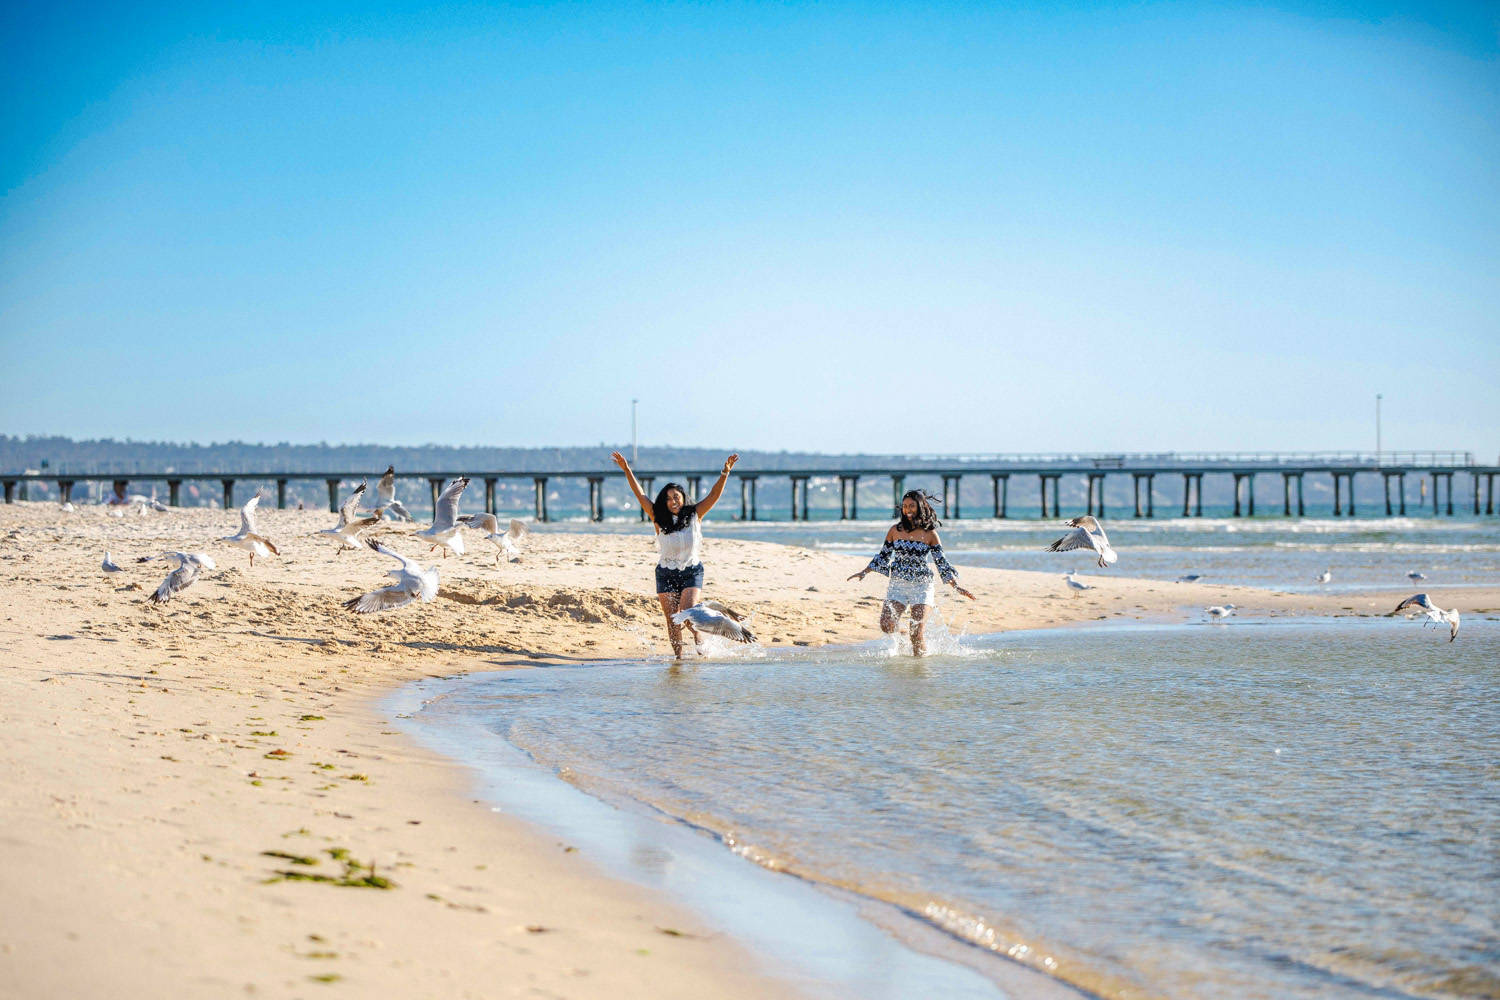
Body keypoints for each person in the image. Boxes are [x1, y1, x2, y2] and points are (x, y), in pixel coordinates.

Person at [611, 450, 740, 658]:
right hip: (666, 573)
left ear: (683, 498)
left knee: (688, 614)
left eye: (676, 497)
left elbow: (714, 495)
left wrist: (725, 472)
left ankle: (697, 636)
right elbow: (640, 494)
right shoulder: (657, 517)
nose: (673, 501)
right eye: (669, 498)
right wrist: (627, 469)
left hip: (691, 571)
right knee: (672, 620)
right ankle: (678, 660)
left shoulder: (695, 514)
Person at [848, 490, 975, 656]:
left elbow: (941, 563)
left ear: (920, 507)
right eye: (905, 506)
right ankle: (903, 635)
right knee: (886, 625)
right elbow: (883, 556)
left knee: (916, 633)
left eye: (912, 506)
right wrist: (864, 572)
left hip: (922, 586)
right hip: (897, 585)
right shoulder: (895, 530)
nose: (907, 510)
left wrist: (956, 586)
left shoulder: (930, 534)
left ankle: (920, 667)